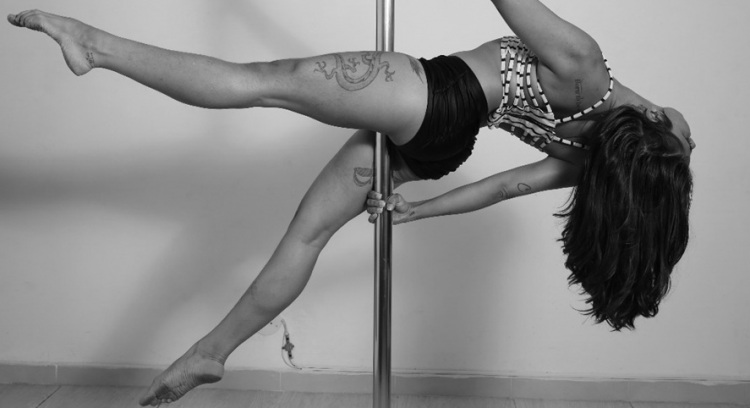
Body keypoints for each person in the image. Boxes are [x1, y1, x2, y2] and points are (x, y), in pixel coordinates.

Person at [7, 1, 694, 406]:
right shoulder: (605, 161)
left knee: (260, 81)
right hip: (441, 146)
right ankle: (209, 352)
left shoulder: (584, 65)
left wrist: (424, 208)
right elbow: (507, 185)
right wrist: (422, 209)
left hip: (432, 96)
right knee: (307, 236)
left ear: (656, 120)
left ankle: (95, 46)